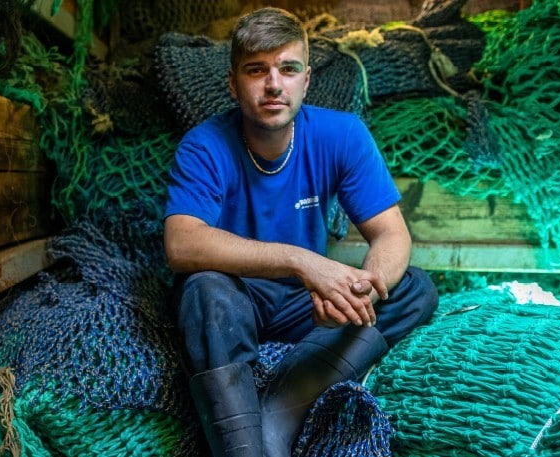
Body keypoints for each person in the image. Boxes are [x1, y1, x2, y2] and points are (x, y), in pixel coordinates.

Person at [162, 7, 439, 457]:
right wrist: (302, 260)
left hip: (303, 307)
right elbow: (181, 242)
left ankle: (281, 409)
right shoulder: (204, 144)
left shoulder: (343, 135)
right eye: (257, 71)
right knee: (202, 292)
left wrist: (362, 294)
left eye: (287, 69)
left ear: (305, 80)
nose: (274, 85)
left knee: (413, 288)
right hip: (236, 300)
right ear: (233, 84)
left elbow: (392, 236)